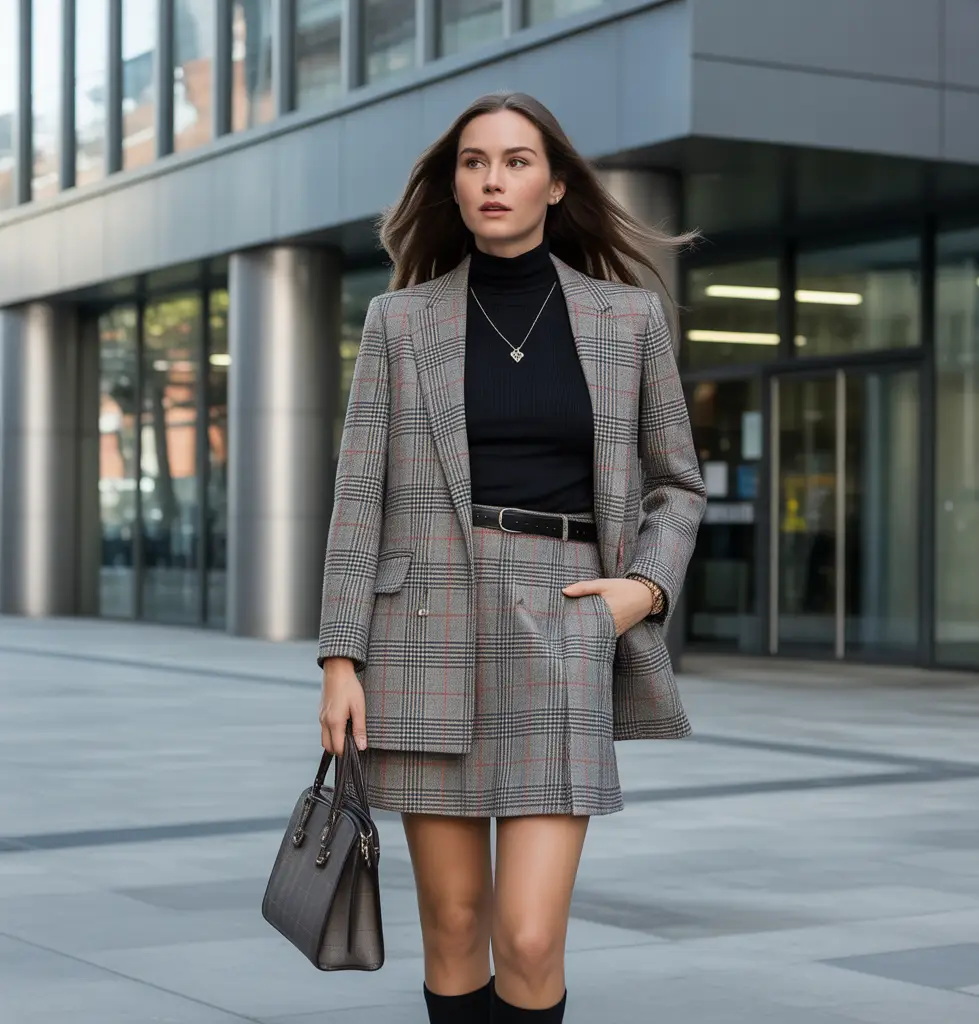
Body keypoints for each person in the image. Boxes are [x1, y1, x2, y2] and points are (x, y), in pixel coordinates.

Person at [316, 91, 707, 1023]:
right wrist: (339, 659)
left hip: (564, 615)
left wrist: (643, 590)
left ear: (555, 184)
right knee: (454, 926)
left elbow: (677, 483)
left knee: (529, 938)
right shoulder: (399, 322)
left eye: (517, 161)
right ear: (454, 186)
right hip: (423, 628)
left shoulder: (627, 319)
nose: (494, 179)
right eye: (475, 162)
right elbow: (358, 497)